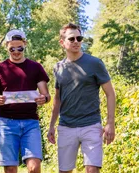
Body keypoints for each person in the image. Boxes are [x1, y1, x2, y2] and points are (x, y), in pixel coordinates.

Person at [47, 23, 116, 173]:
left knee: (92, 170)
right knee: (64, 171)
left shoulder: (95, 63)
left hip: (91, 125)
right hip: (66, 126)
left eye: (79, 38)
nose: (76, 41)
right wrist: (52, 125)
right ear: (62, 42)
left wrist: (110, 123)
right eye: (71, 39)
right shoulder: (58, 67)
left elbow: (110, 93)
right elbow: (57, 99)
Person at [0, 29, 50, 173]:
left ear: (25, 44)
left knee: (34, 167)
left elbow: (46, 95)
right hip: (6, 124)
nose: (16, 51)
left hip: (31, 123)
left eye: (19, 48)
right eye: (12, 48)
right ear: (7, 47)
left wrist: (43, 98)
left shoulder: (36, 67)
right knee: (10, 169)